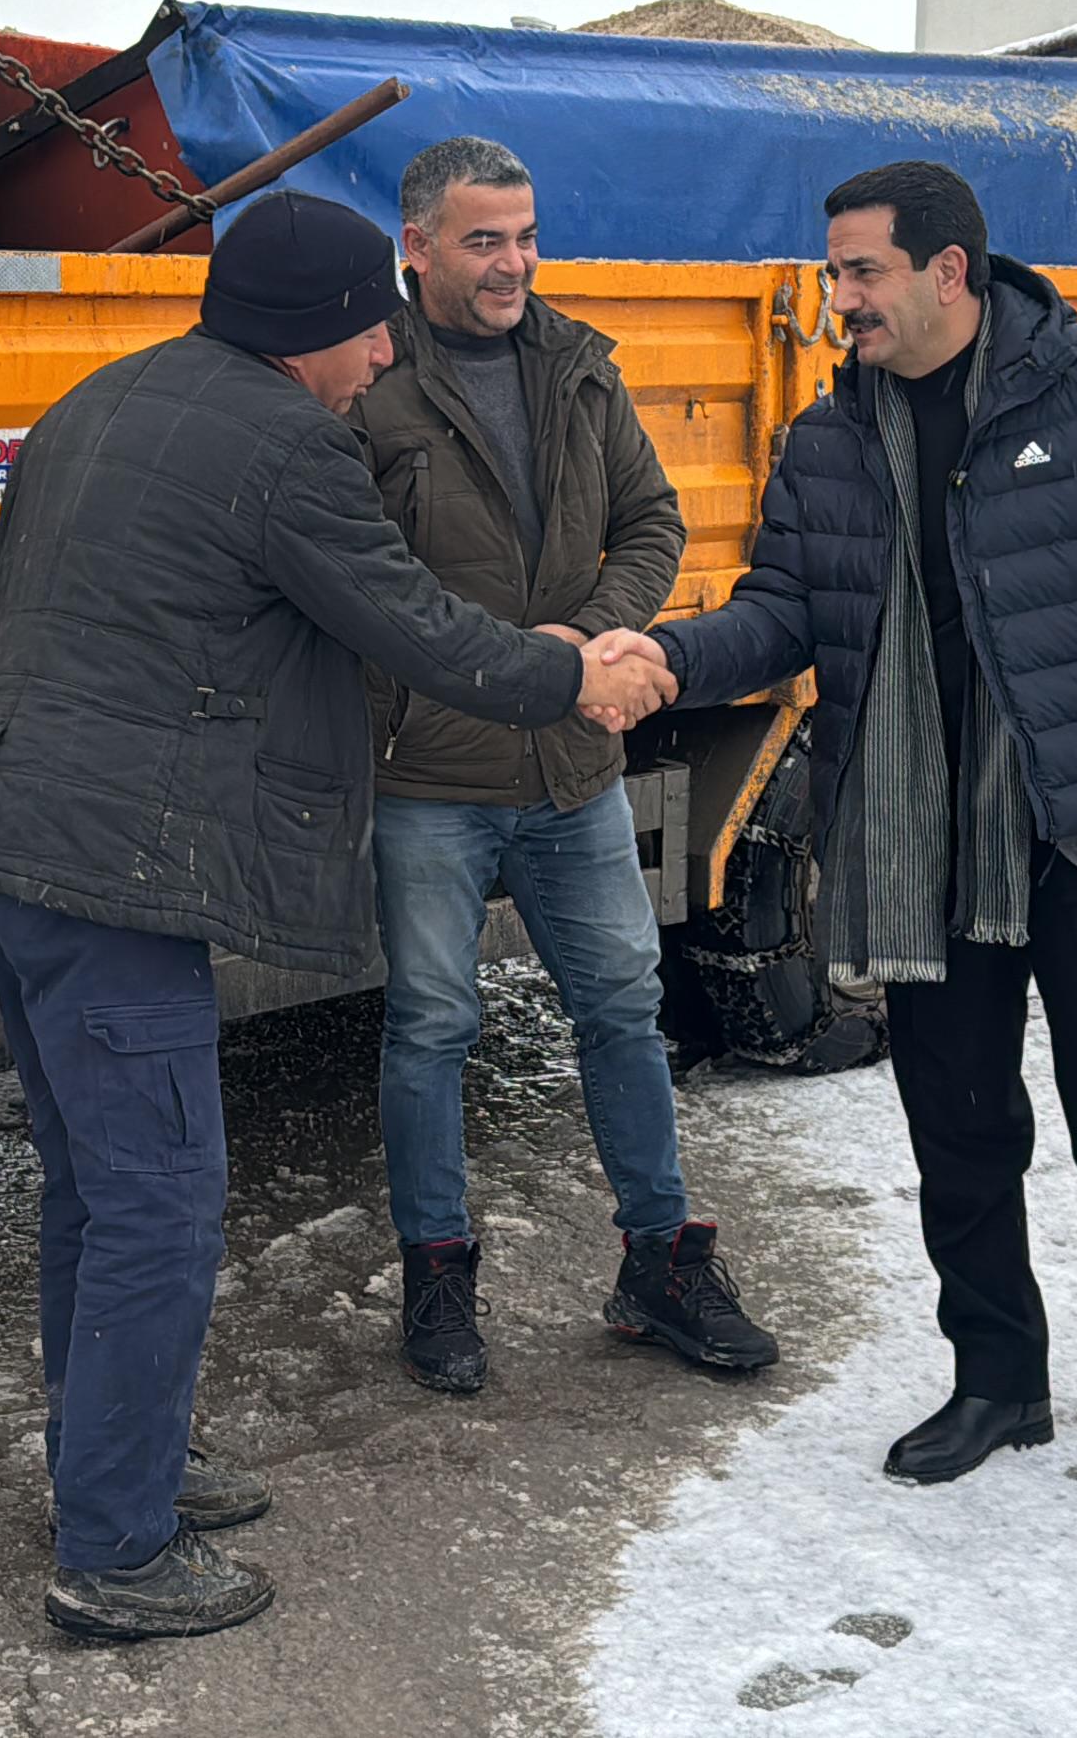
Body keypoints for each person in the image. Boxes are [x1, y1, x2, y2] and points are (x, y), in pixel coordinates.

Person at [0, 191, 673, 1641]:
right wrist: (572, 677)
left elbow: (4, 612)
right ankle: (115, 1554)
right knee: (160, 1204)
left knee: (96, 1192)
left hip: (13, 843)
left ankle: (113, 1469)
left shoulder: (102, 400)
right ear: (314, 328)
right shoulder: (290, 451)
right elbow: (412, 627)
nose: (386, 351)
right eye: (369, 324)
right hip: (112, 875)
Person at [616, 159, 1077, 1521]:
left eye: (860, 271)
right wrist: (665, 661)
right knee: (959, 1126)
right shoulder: (830, 436)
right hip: (919, 841)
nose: (837, 296)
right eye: (834, 271)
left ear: (947, 271)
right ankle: (997, 1377)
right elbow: (784, 610)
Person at [352, 137, 777, 1395]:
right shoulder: (369, 384)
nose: (514, 264)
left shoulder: (580, 367)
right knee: (432, 1023)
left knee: (622, 1011)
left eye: (526, 236)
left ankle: (661, 1260)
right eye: (485, 239)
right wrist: (517, 659)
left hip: (573, 760)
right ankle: (437, 1276)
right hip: (427, 769)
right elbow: (365, 584)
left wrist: (585, 643)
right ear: (416, 244)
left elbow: (652, 524)